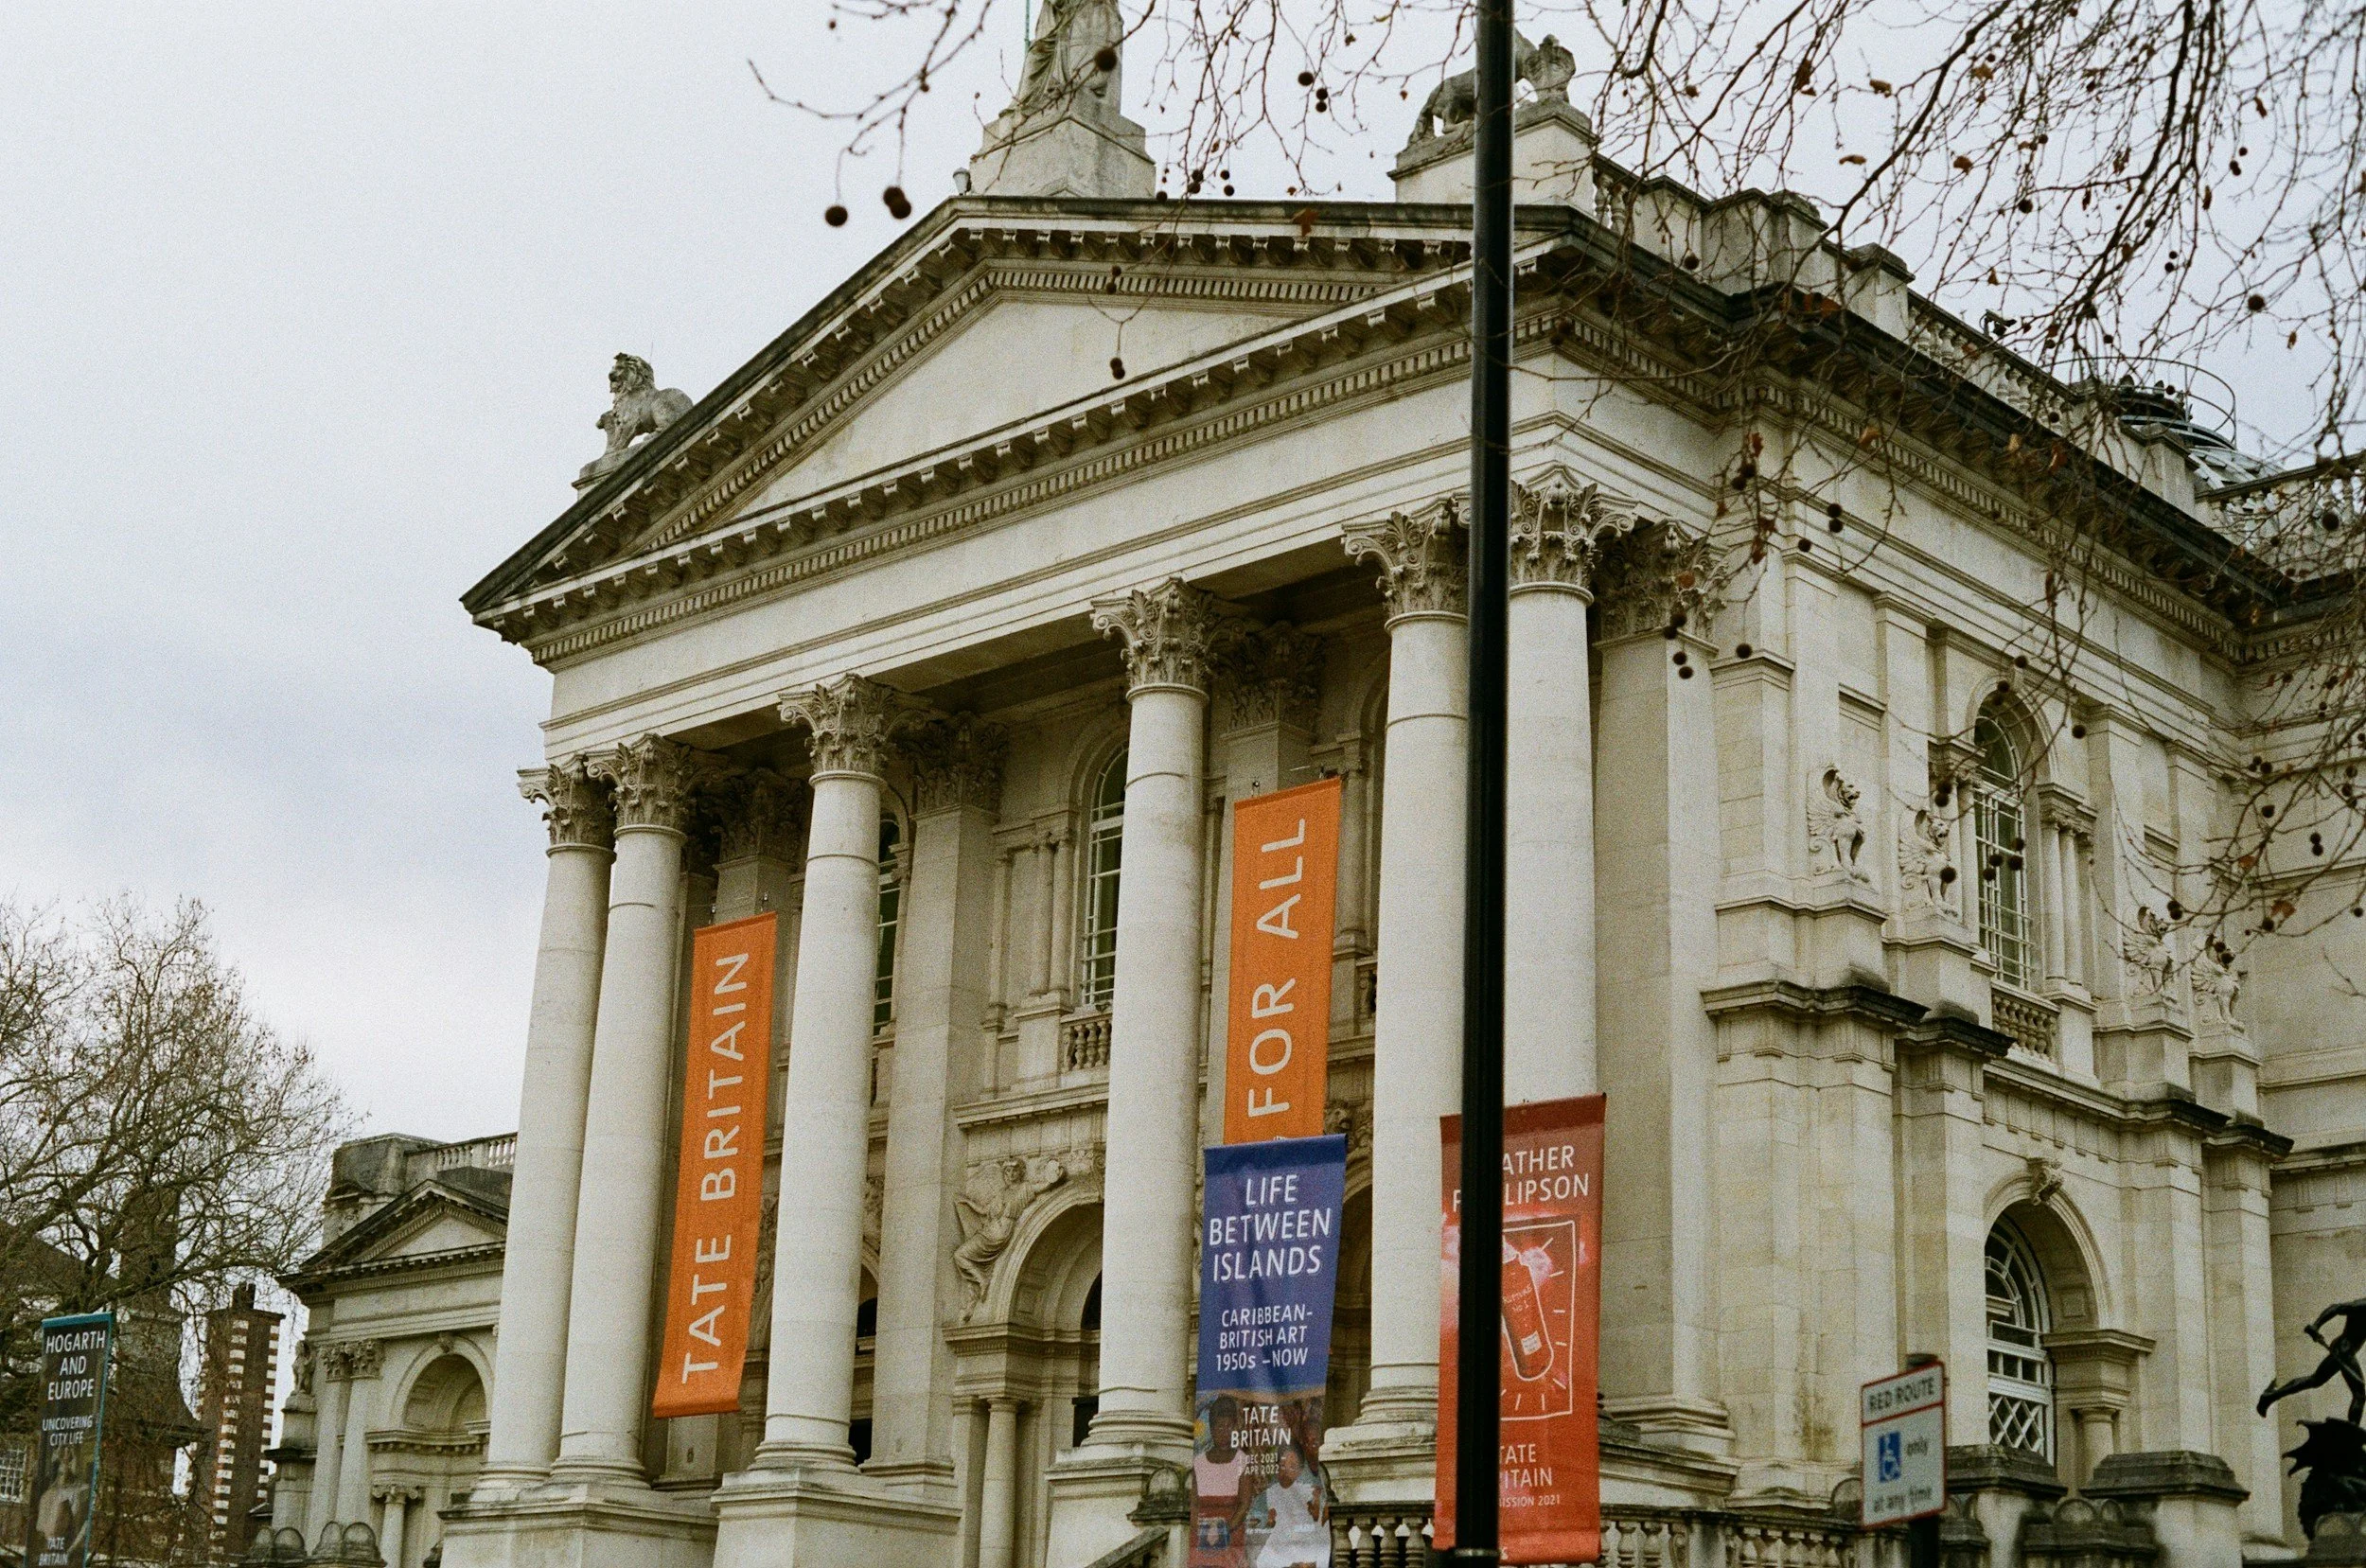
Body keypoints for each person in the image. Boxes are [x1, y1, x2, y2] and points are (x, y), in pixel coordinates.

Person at [2261, 1295, 2366, 1424]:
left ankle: (2270, 1396)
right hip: (2344, 1351)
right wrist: (2316, 1326)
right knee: (2359, 1393)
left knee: (2315, 1380)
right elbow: (2336, 1307)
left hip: (2345, 1351)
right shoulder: (2362, 1305)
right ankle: (2353, 1433)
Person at [1192, 1395, 1253, 1567]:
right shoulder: (1198, 1462)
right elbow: (1194, 1504)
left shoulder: (1242, 1459)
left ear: (1235, 1427)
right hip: (1202, 1535)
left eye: (1229, 1426)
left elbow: (1244, 1504)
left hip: (1231, 1534)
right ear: (1211, 1429)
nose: (1224, 1432)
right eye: (1219, 1426)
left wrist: (1222, 1529)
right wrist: (1202, 1531)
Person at [1249, 1440, 1329, 1568]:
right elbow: (1259, 1523)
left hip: (1306, 1545)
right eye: (1282, 1466)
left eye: (1292, 1467)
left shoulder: (1309, 1492)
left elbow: (1321, 1528)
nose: (1285, 1472)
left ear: (1300, 1470)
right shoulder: (1269, 1493)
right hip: (1280, 1545)